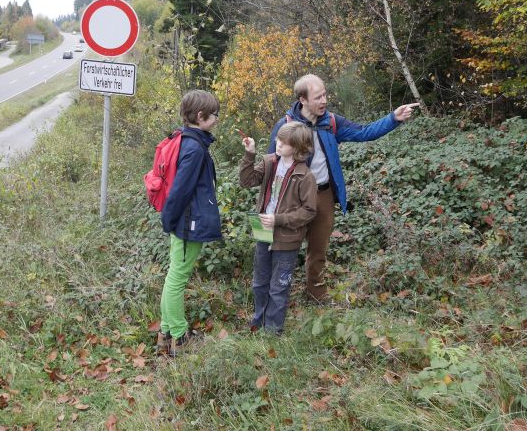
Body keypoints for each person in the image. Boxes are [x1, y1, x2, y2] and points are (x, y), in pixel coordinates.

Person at [269, 74, 418, 302]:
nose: (324, 100)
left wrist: (393, 118)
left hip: (324, 195)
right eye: (318, 97)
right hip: (294, 200)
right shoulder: (286, 127)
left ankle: (316, 295)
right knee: (285, 250)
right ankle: (278, 298)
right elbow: (272, 164)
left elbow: (363, 132)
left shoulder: (331, 123)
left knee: (318, 251)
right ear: (303, 99)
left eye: (325, 95)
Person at [157, 89, 222, 356]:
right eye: (214, 114)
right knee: (177, 280)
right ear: (200, 116)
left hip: (183, 222)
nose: (217, 118)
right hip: (186, 224)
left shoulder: (187, 140)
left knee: (174, 276)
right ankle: (179, 336)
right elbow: (180, 191)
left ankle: (165, 333)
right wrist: (169, 221)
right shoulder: (194, 148)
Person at [239, 122, 317, 334]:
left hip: (286, 237)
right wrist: (250, 154)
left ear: (299, 147)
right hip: (263, 232)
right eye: (278, 139)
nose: (278, 143)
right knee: (259, 282)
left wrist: (279, 219)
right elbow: (246, 181)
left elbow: (309, 211)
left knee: (279, 287)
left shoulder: (305, 176)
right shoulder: (269, 163)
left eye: (284, 142)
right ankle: (258, 323)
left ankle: (273, 331)